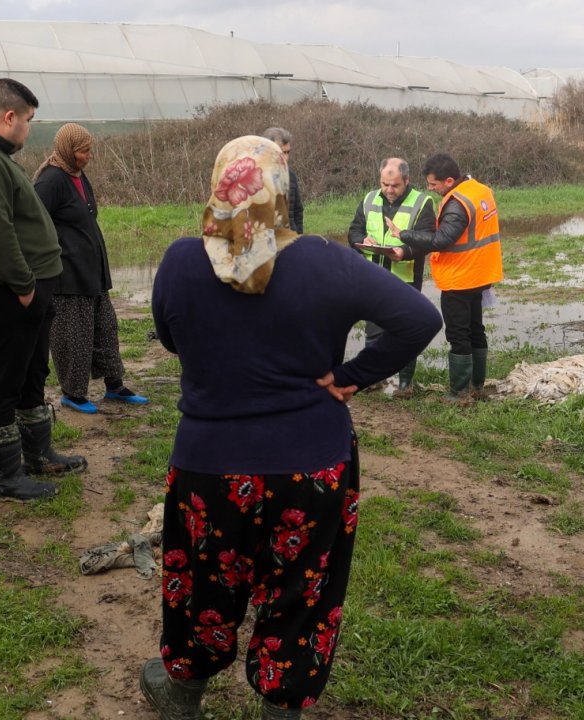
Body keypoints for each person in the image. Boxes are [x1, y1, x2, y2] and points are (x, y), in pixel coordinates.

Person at [142, 136, 441, 720]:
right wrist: (354, 376)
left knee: (202, 583)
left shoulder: (180, 261)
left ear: (219, 183)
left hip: (209, 463)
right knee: (303, 589)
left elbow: (173, 339)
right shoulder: (323, 260)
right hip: (312, 464)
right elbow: (419, 317)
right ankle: (282, 708)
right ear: (282, 189)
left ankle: (182, 693)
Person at [0, 78, 87, 503]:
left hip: (27, 290)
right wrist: (25, 287)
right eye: (27, 120)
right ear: (9, 116)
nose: (29, 129)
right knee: (3, 381)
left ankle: (38, 455)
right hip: (5, 291)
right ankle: (6, 478)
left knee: (30, 374)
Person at [33, 123, 148, 414]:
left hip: (92, 273)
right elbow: (34, 225)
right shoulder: (50, 181)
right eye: (84, 151)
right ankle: (73, 393)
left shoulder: (77, 175)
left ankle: (115, 386)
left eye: (89, 150)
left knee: (105, 328)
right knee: (74, 335)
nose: (89, 156)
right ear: (68, 151)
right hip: (68, 276)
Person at [385, 153, 503, 399]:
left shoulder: (457, 203)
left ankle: (459, 392)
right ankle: (476, 386)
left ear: (449, 181)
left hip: (459, 277)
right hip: (481, 272)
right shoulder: (480, 190)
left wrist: (403, 234)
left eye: (433, 184)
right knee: (475, 329)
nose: (430, 188)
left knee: (459, 334)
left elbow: (441, 240)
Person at [346, 157, 437, 396]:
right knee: (373, 330)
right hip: (373, 277)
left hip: (404, 278)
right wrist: (362, 240)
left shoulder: (422, 202)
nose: (388, 190)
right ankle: (370, 379)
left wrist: (405, 251)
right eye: (384, 184)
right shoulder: (368, 199)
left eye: (394, 185)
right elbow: (354, 229)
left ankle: (405, 385)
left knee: (407, 330)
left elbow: (427, 239)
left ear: (406, 181)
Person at [261, 127, 303, 233]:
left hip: (291, 240)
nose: (286, 158)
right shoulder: (255, 177)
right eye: (281, 153)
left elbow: (298, 211)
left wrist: (298, 237)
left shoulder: (291, 176)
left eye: (287, 152)